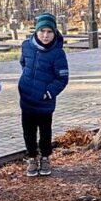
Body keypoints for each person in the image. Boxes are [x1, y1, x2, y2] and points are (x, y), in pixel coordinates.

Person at [18, 12, 69, 177]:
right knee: (28, 132)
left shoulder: (57, 53)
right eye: (42, 31)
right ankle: (32, 157)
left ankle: (45, 157)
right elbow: (23, 63)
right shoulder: (26, 46)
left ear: (54, 33)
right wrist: (26, 83)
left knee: (45, 132)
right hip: (27, 100)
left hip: (45, 103)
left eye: (49, 32)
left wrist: (48, 92)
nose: (45, 35)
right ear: (36, 31)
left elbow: (62, 78)